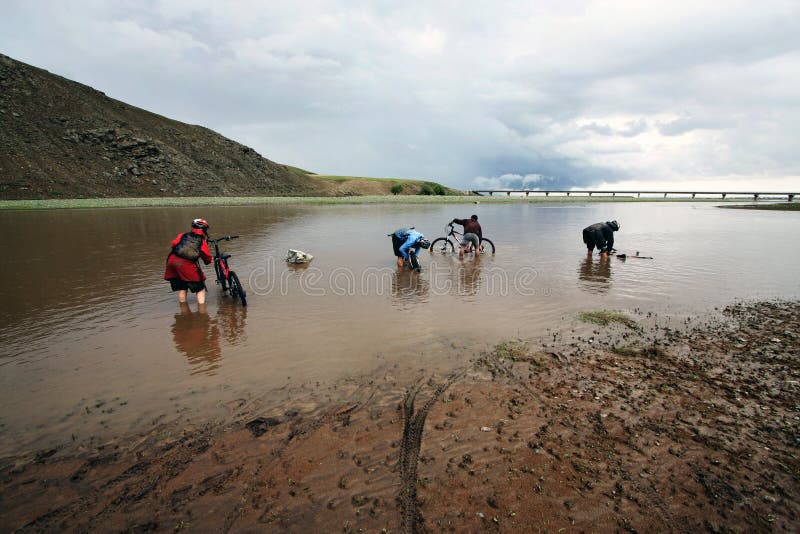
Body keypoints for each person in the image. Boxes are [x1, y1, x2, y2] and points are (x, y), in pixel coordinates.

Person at [164, 218, 213, 304]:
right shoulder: (201, 240)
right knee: (200, 288)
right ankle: (202, 312)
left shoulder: (183, 235)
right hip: (185, 264)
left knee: (183, 288)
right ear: (204, 229)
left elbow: (173, 244)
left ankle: (183, 310)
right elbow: (206, 256)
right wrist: (209, 260)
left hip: (172, 260)